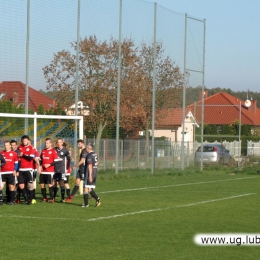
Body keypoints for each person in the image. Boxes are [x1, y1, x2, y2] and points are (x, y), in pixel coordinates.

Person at [39, 138, 59, 203]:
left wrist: (49, 164)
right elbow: (40, 160)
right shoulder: (43, 151)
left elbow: (56, 161)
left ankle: (51, 198)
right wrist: (40, 166)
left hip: (50, 171)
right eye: (45, 143)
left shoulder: (53, 151)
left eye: (47, 143)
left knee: (50, 185)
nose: (46, 144)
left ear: (50, 144)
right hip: (43, 171)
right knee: (42, 185)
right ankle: (44, 197)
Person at [17, 135, 36, 205]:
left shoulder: (31, 148)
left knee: (30, 185)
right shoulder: (19, 147)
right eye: (23, 141)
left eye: (25, 141)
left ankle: (30, 200)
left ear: (28, 141)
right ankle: (26, 199)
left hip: (28, 169)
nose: (24, 142)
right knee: (21, 185)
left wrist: (23, 155)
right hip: (21, 169)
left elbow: (30, 158)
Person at [82, 143, 101, 208]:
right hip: (95, 172)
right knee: (89, 189)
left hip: (90, 173)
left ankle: (86, 204)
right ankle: (98, 199)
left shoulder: (89, 155)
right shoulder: (95, 154)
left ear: (87, 148)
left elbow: (90, 165)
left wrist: (89, 175)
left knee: (85, 188)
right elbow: (97, 163)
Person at [53, 138, 70, 203]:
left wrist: (67, 168)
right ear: (56, 143)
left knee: (61, 183)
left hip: (62, 169)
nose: (59, 143)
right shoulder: (54, 149)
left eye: (60, 142)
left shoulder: (65, 150)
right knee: (55, 183)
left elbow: (69, 160)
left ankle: (62, 198)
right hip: (55, 169)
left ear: (62, 143)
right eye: (58, 142)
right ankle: (53, 197)